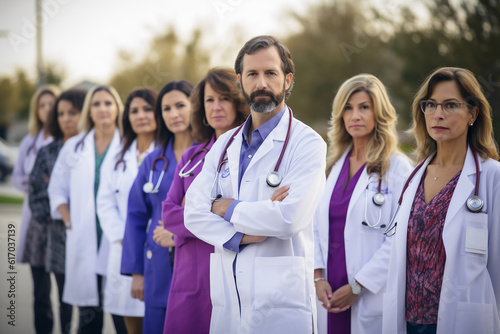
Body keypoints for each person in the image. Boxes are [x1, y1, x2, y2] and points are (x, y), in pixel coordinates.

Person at [184, 35, 327, 333]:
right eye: (252, 74)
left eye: (270, 73)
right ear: (240, 81)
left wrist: (225, 207)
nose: (261, 82)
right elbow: (193, 214)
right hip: (230, 299)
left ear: (287, 80)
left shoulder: (307, 144)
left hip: (281, 305)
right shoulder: (225, 144)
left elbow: (288, 219)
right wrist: (243, 235)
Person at [382, 67, 500, 334]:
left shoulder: (492, 177)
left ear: (473, 113)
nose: (438, 114)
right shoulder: (412, 177)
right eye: (431, 105)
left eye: (450, 105)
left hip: (462, 319)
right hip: (408, 320)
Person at [313, 74, 412, 334]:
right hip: (329, 290)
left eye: (364, 107)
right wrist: (317, 277)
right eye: (348, 108)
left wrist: (359, 285)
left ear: (378, 113)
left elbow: (399, 236)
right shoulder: (331, 167)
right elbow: (313, 227)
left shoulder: (398, 168)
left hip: (370, 292)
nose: (355, 116)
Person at [159, 67, 250, 333]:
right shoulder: (191, 157)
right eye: (209, 100)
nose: (216, 107)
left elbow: (251, 216)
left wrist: (195, 216)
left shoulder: (253, 157)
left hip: (235, 269)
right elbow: (169, 214)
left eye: (224, 98)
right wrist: (220, 213)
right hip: (191, 271)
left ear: (238, 102)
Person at [48, 85, 127, 334]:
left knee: (122, 318)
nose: (102, 109)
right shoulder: (74, 147)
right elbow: (56, 189)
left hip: (118, 239)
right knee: (88, 321)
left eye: (108, 103)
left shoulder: (129, 144)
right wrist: (69, 220)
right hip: (83, 237)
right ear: (89, 112)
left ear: (117, 109)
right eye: (96, 104)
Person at [121, 80, 195, 334]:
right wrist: (136, 272)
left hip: (195, 261)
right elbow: (135, 217)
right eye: (166, 108)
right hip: (157, 264)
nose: (173, 114)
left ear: (194, 107)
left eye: (180, 105)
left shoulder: (210, 155)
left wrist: (179, 232)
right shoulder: (153, 161)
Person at [97, 88, 159, 333]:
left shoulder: (168, 152)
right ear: (127, 117)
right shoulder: (117, 156)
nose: (140, 115)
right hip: (123, 248)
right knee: (128, 322)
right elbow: (104, 202)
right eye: (134, 111)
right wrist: (123, 237)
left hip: (158, 247)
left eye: (147, 109)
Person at [28, 89, 86, 334]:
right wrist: (60, 211)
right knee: (59, 293)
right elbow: (37, 193)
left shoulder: (90, 148)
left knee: (83, 297)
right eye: (61, 114)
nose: (66, 119)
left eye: (72, 113)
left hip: (85, 231)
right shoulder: (48, 151)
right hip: (55, 235)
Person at [12, 84, 60, 334]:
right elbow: (18, 177)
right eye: (43, 105)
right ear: (36, 110)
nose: (48, 110)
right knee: (40, 290)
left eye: (52, 104)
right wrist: (37, 180)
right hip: (35, 221)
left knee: (65, 289)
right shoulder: (29, 142)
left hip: (62, 222)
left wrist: (48, 182)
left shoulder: (66, 140)